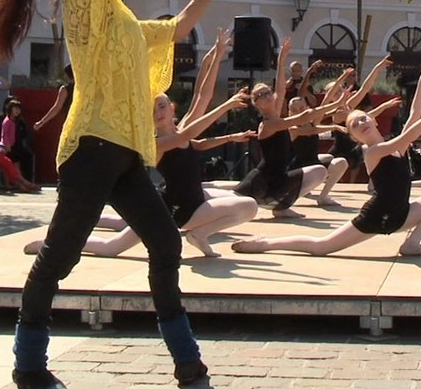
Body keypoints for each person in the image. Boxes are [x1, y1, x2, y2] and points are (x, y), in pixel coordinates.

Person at [0, 0, 234, 389]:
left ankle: (187, 362)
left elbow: (176, 27)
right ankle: (28, 367)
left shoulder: (116, 18)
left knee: (165, 241)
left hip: (120, 152)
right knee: (60, 258)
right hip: (92, 147)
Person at [25, 32, 258, 259]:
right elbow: (188, 134)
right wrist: (226, 106)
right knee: (111, 247)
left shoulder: (182, 129)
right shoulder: (156, 143)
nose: (158, 112)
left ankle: (200, 234)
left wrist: (216, 56)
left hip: (179, 203)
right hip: (181, 210)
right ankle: (50, 244)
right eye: (153, 108)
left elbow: (202, 96)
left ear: (172, 108)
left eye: (162, 106)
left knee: (113, 246)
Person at [233, 57, 421, 257]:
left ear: (374, 119)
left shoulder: (395, 146)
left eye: (364, 118)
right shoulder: (373, 152)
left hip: (402, 214)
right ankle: (264, 244)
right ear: (354, 137)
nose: (361, 122)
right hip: (376, 218)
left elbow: (414, 114)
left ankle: (412, 243)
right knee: (321, 247)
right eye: (355, 124)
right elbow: (410, 134)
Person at [220, 39, 352, 217]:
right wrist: (334, 104)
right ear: (256, 104)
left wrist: (282, 59)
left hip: (281, 178)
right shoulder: (268, 124)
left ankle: (282, 207)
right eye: (260, 95)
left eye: (268, 92)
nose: (266, 96)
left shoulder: (277, 115)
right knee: (227, 204)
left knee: (318, 171)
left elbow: (281, 89)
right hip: (262, 180)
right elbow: (304, 116)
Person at [2, 98, 37, 183]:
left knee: (18, 164)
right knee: (11, 165)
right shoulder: (7, 121)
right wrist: (7, 145)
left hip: (17, 146)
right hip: (10, 147)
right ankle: (16, 183)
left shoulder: (18, 121)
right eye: (15, 109)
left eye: (19, 109)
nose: (17, 111)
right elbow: (5, 134)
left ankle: (20, 182)